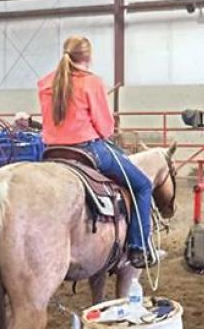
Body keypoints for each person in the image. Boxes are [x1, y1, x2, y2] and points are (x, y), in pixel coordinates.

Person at [38, 35, 154, 268]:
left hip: (52, 151)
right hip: (88, 150)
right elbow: (105, 127)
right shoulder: (91, 82)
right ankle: (138, 246)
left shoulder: (45, 83)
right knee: (143, 185)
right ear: (88, 57)